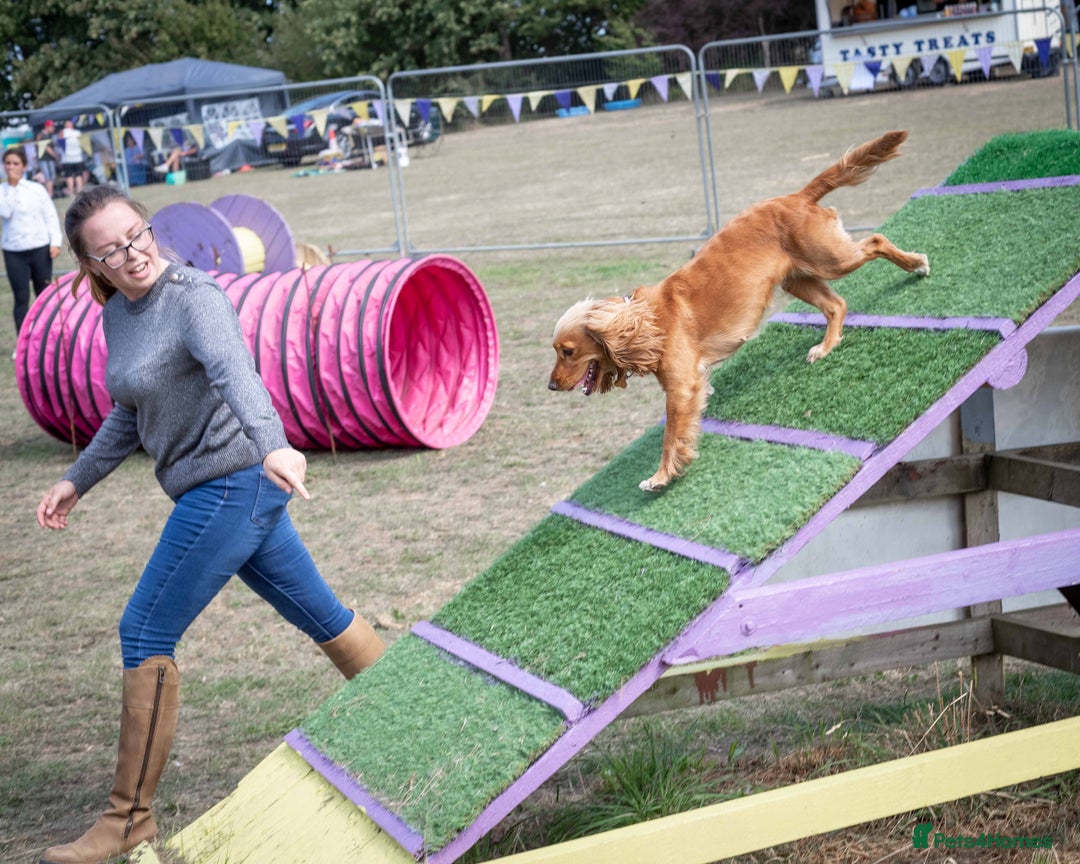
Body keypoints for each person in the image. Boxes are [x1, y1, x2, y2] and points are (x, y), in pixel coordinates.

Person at [35, 186, 385, 864]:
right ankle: (418, 707)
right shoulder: (121, 316)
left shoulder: (193, 297)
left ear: (150, 227)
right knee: (322, 613)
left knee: (143, 629)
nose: (133, 254)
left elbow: (235, 372)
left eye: (137, 235)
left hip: (235, 482)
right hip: (227, 489)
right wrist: (74, 479)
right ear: (91, 264)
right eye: (111, 249)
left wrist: (273, 442)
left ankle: (128, 819)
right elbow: (129, 415)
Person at [1, 147, 62, 348]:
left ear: (24, 166)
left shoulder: (37, 189)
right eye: (7, 163)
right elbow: (6, 212)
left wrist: (55, 241)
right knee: (21, 297)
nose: (11, 167)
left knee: (44, 294)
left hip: (40, 247)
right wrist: (12, 186)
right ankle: (23, 344)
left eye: (15, 163)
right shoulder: (2, 191)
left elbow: (50, 215)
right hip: (14, 250)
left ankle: (50, 338)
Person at [58, 119, 86, 197]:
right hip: (78, 158)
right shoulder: (78, 133)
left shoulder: (61, 133)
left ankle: (71, 192)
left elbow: (58, 144)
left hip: (66, 159)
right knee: (78, 175)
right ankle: (79, 192)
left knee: (69, 176)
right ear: (72, 126)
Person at [32, 121, 60, 198]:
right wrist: (56, 156)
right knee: (49, 177)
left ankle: (50, 194)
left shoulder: (46, 135)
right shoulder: (43, 135)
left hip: (47, 159)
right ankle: (50, 194)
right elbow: (48, 149)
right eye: (52, 127)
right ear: (47, 127)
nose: (54, 129)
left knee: (50, 177)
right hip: (45, 159)